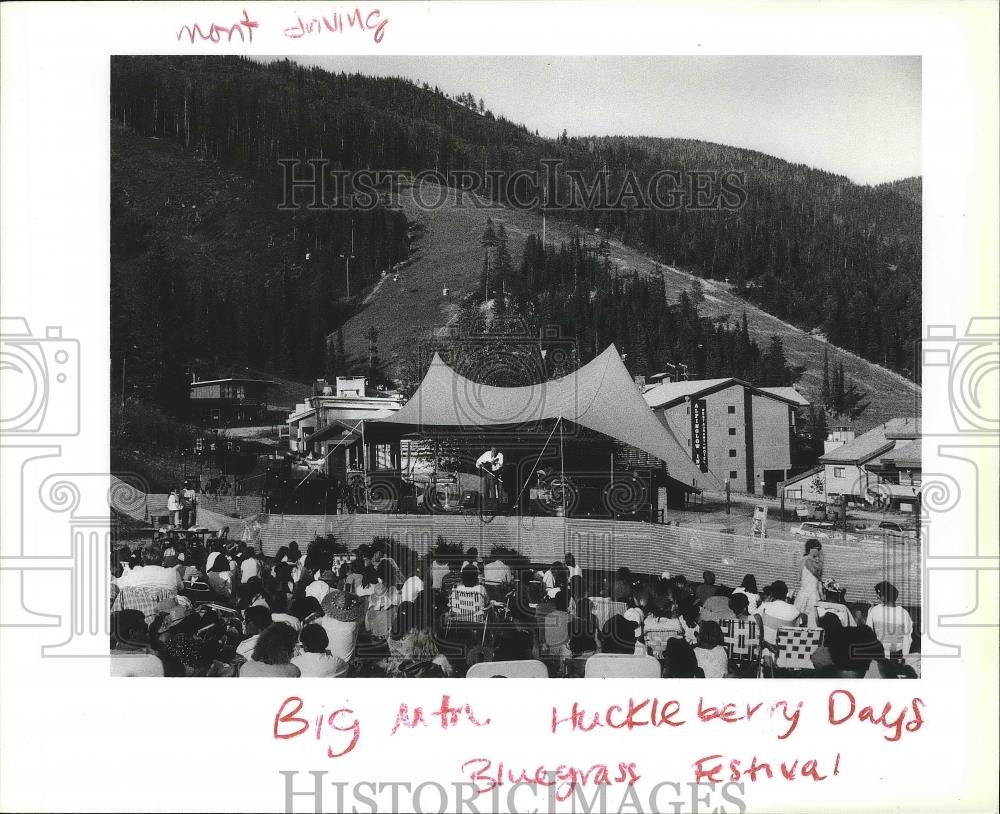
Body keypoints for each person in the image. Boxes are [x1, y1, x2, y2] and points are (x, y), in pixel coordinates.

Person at [866, 581, 914, 658]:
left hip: (881, 654)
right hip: (894, 654)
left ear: (884, 597)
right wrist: (905, 658)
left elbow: (868, 632)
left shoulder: (874, 610)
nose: (877, 597)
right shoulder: (904, 613)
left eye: (878, 594)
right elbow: (907, 638)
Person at [756, 580, 803, 651]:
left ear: (772, 594)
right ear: (786, 594)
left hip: (765, 650)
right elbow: (797, 632)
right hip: (786, 651)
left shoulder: (764, 607)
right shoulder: (795, 611)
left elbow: (755, 625)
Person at [117, 544, 183, 593]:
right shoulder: (172, 573)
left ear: (143, 560)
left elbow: (119, 586)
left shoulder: (134, 573)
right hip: (166, 609)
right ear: (162, 560)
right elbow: (181, 587)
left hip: (140, 609)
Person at [794, 540, 824, 626]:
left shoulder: (807, 560)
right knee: (810, 622)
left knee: (805, 621)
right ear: (811, 549)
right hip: (808, 595)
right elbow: (817, 573)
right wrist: (821, 561)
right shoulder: (807, 560)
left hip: (809, 593)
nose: (819, 551)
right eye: (817, 549)